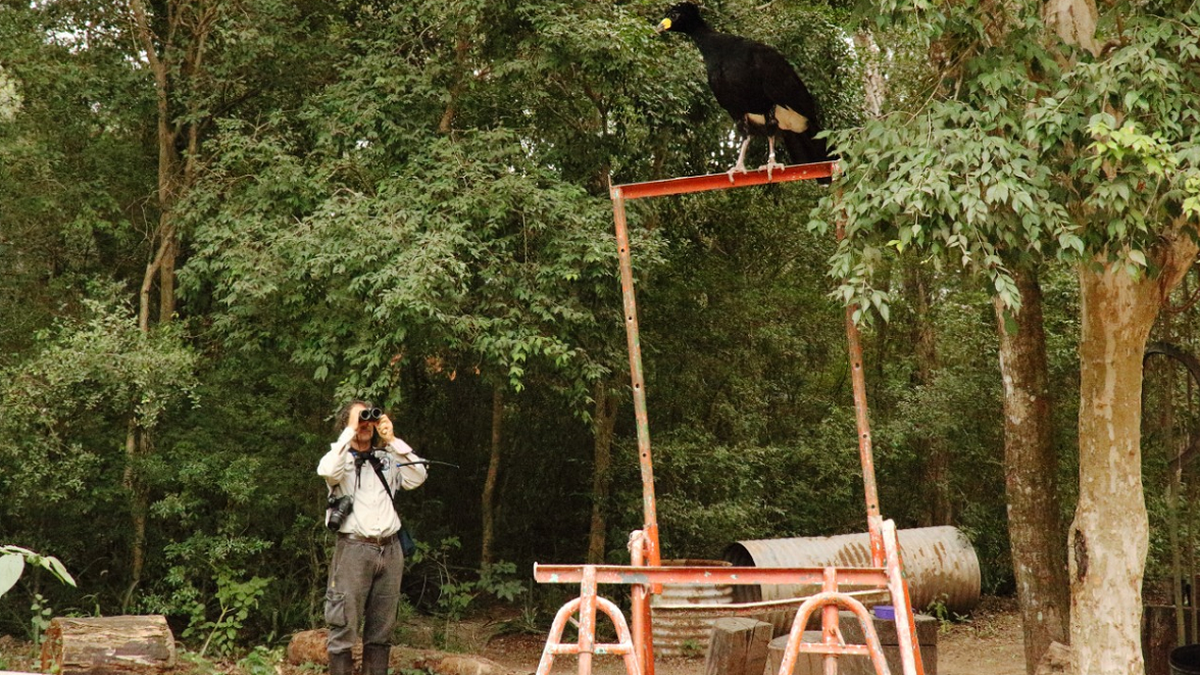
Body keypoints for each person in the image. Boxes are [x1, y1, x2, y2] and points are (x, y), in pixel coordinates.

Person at [318, 400, 428, 675]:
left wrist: (392, 440)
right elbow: (327, 471)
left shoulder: (387, 458)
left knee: (381, 630)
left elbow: (418, 476)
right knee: (343, 625)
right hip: (354, 549)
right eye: (360, 419)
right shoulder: (339, 459)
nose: (366, 424)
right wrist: (349, 431)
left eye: (370, 419)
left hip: (390, 551)